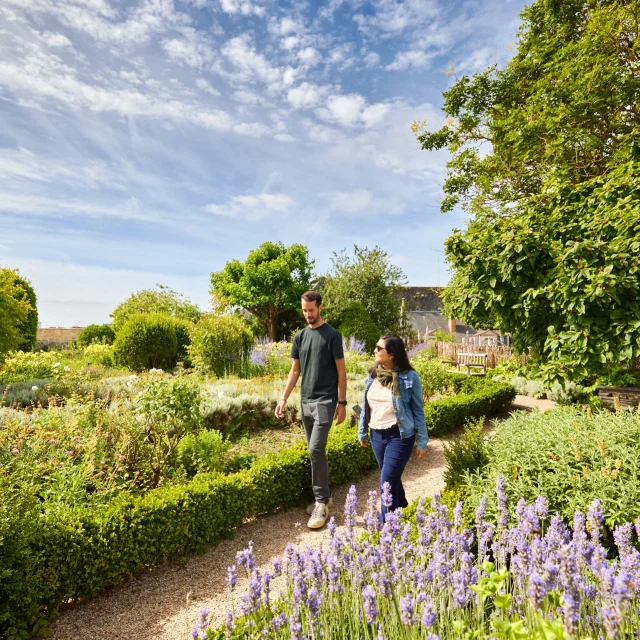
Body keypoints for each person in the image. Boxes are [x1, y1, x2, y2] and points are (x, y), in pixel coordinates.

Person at [275, 291, 347, 529]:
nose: (307, 314)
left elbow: (341, 372)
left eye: (311, 310)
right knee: (313, 451)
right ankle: (325, 496)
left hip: (326, 402)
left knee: (316, 448)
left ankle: (320, 503)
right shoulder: (300, 337)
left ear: (320, 308)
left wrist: (343, 403)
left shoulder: (332, 336)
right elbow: (295, 371)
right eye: (304, 310)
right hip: (305, 401)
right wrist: (283, 399)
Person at [358, 334, 428, 520]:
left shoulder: (410, 377)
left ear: (392, 354)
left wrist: (422, 440)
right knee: (391, 478)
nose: (374, 350)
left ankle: (385, 528)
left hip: (399, 436)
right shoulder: (372, 375)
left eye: (379, 348)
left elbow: (418, 410)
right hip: (376, 435)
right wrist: (362, 431)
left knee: (386, 482)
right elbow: (365, 405)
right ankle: (398, 510)